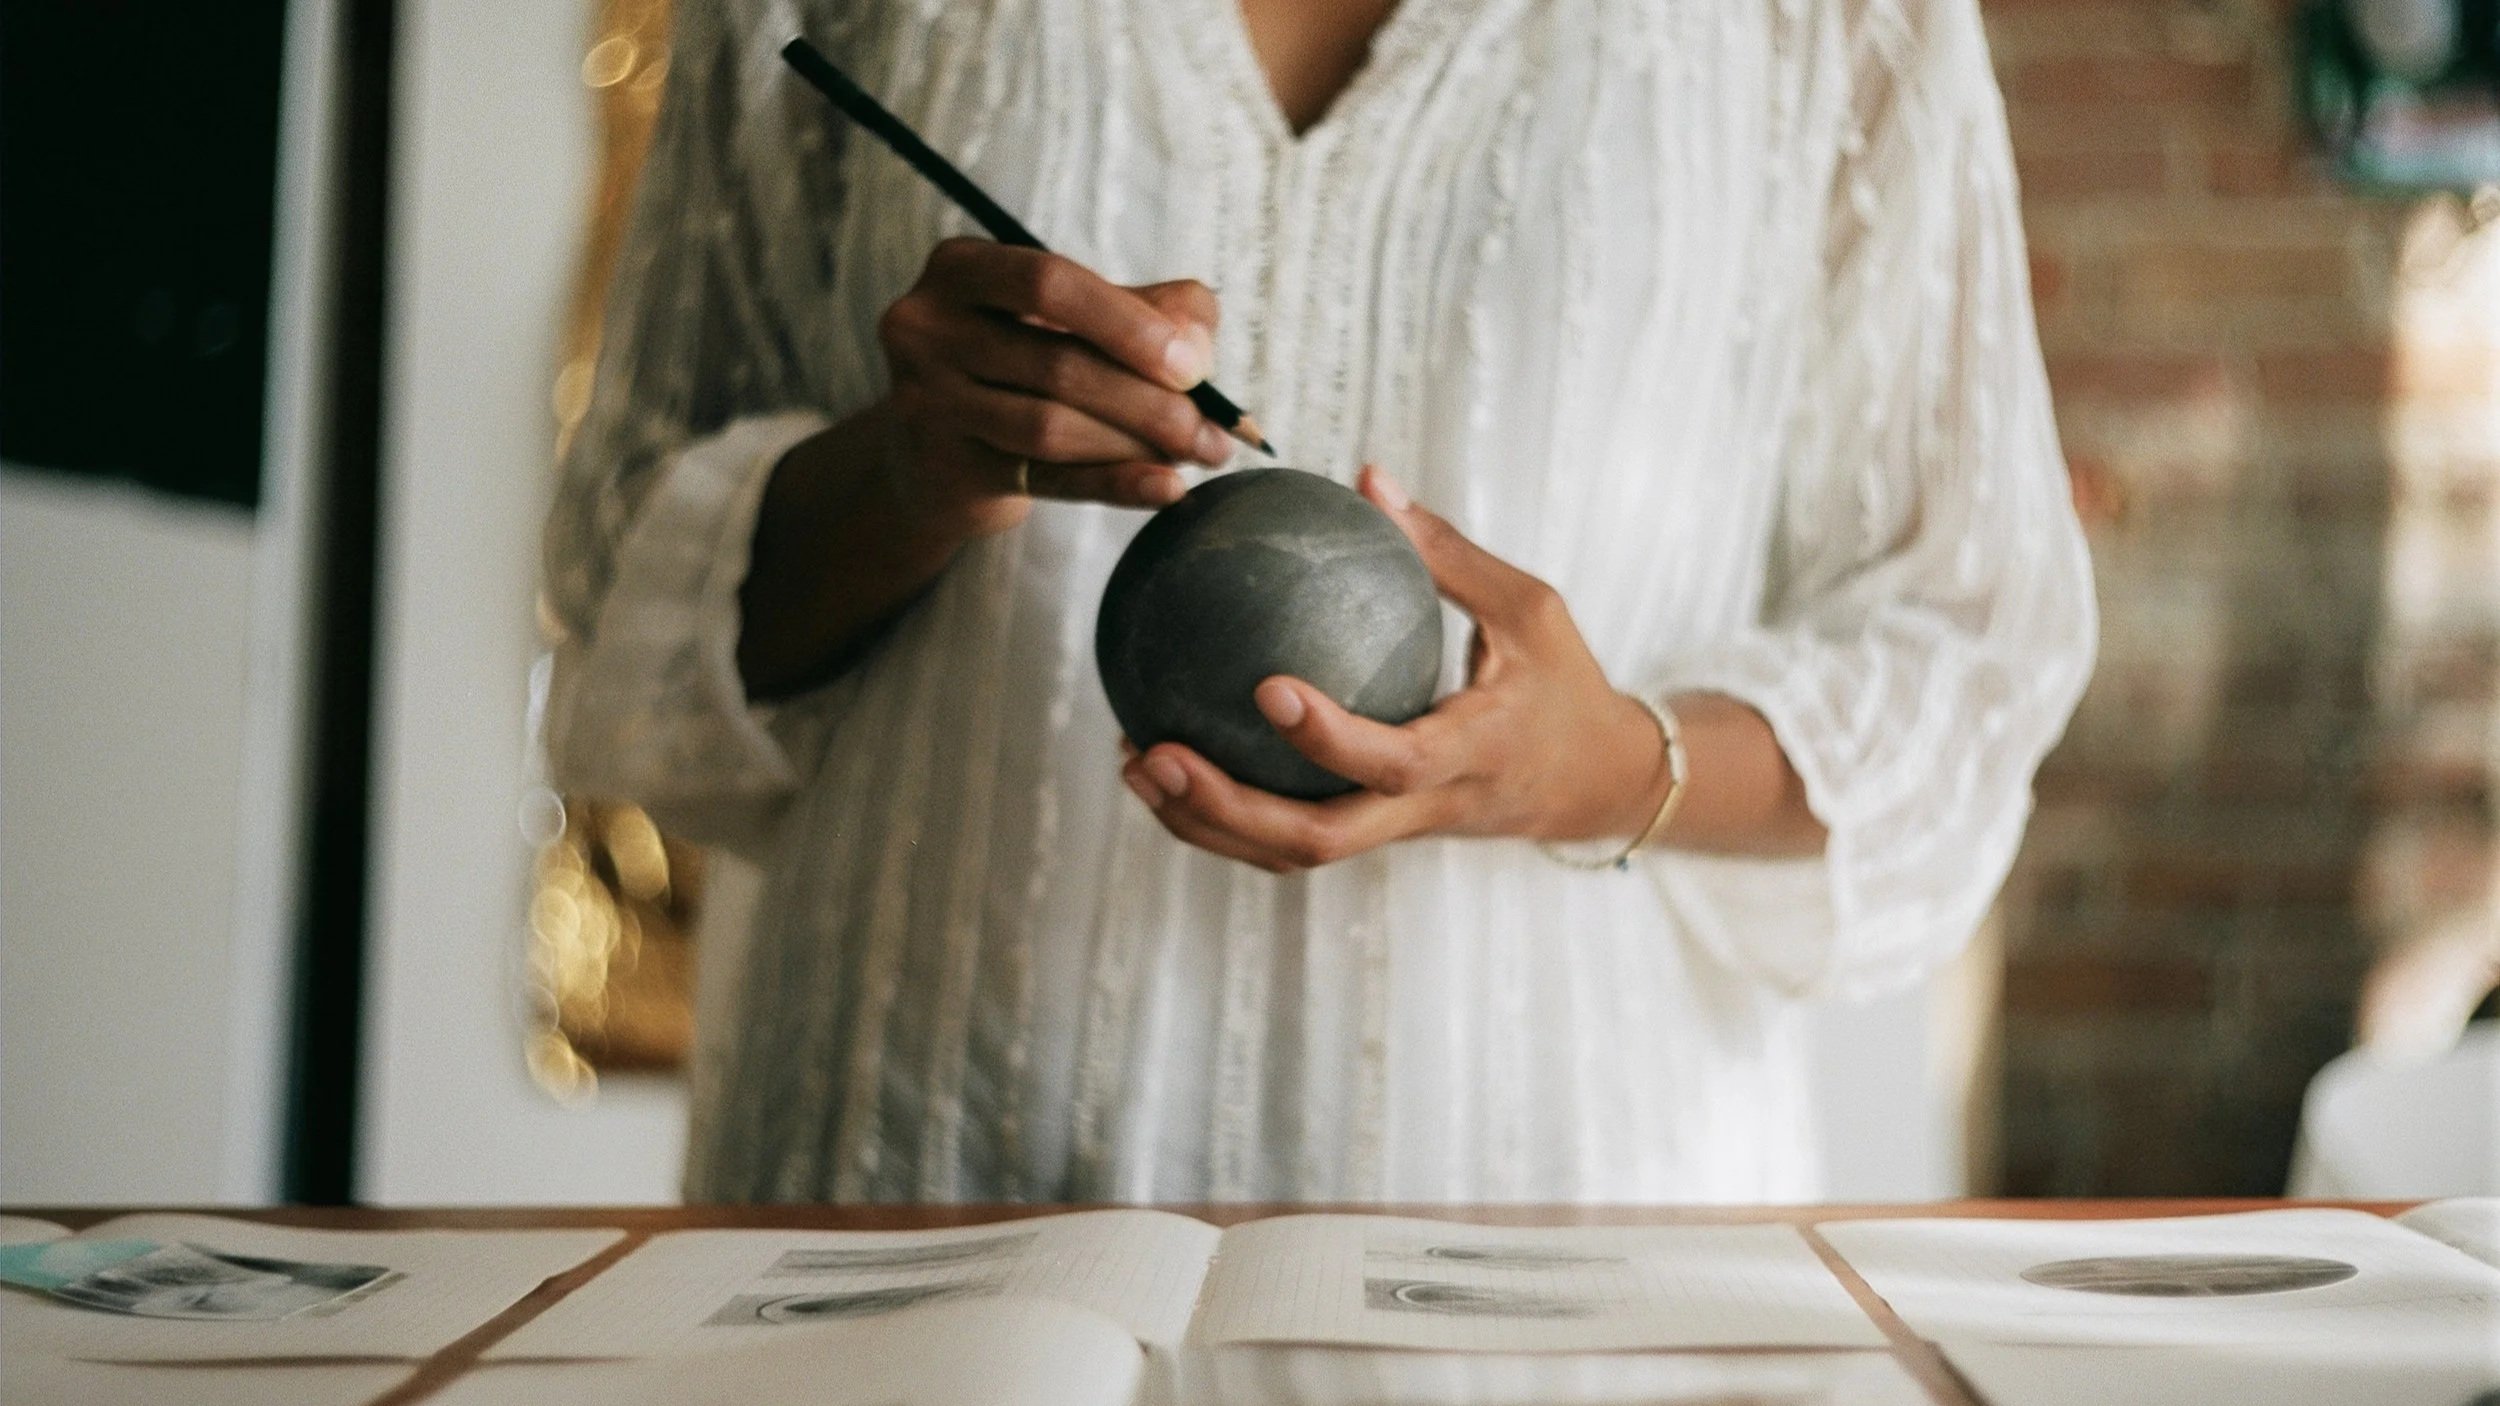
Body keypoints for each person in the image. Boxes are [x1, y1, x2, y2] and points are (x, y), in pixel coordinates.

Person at [544, 0, 2096, 1203]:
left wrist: (1602, 763)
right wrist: (914, 466)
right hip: (912, 1210)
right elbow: (621, 579)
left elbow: (1963, 655)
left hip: (1544, 1267)